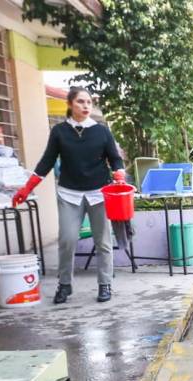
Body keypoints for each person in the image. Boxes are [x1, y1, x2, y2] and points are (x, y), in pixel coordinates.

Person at [12, 86, 125, 304]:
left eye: (89, 102)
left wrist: (119, 172)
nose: (85, 106)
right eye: (81, 102)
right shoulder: (60, 132)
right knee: (67, 239)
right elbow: (47, 161)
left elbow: (115, 158)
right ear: (70, 104)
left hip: (99, 193)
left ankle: (105, 284)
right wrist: (27, 188)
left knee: (102, 241)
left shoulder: (101, 131)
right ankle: (65, 284)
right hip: (69, 193)